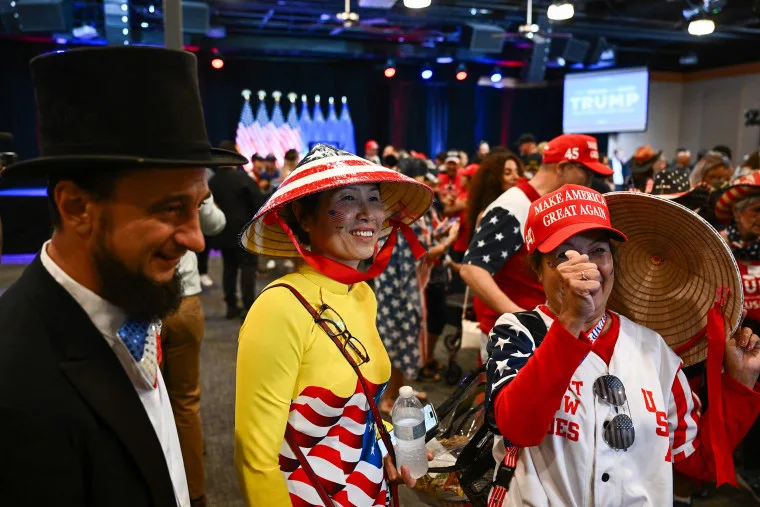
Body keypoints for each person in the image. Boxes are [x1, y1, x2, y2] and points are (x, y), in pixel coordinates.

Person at [0, 46, 248, 507]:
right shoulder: (15, 383)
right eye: (170, 208)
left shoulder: (134, 293)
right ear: (77, 208)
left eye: (196, 206)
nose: (197, 240)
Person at [485, 184, 760, 506]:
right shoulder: (518, 332)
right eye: (563, 255)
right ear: (537, 272)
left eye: (598, 250)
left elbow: (699, 462)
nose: (585, 266)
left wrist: (740, 382)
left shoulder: (654, 349)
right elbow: (519, 429)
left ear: (614, 262)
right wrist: (572, 320)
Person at [234, 144, 433, 506]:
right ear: (303, 217)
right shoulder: (279, 308)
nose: (367, 214)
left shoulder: (361, 295)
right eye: (346, 198)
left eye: (374, 198)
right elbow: (255, 456)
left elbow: (354, 406)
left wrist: (385, 442)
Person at [461, 134, 612, 340]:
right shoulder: (514, 206)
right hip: (514, 337)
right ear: (562, 167)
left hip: (545, 330)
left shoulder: (547, 205)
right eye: (585, 171)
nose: (589, 181)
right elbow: (472, 269)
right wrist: (520, 319)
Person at [161, 194, 225, 507]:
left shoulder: (133, 184)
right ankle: (195, 495)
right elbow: (216, 223)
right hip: (184, 302)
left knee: (147, 401)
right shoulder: (189, 185)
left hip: (142, 304)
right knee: (186, 402)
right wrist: (202, 200)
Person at [208, 157, 265, 319]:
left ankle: (231, 306)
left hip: (223, 231)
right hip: (245, 232)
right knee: (248, 269)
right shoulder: (243, 179)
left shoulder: (212, 181)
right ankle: (248, 306)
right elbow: (259, 204)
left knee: (229, 269)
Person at [467, 152, 524, 242]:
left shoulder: (522, 207)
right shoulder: (487, 214)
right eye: (508, 173)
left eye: (517, 171)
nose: (516, 177)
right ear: (493, 179)